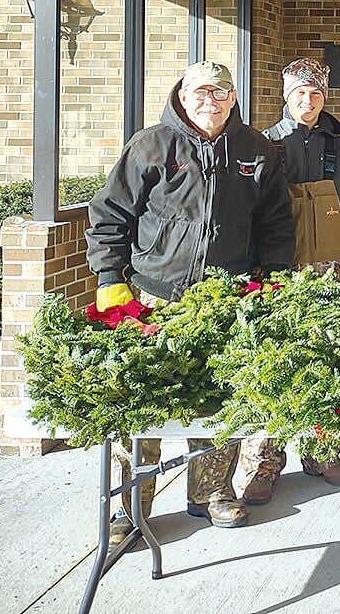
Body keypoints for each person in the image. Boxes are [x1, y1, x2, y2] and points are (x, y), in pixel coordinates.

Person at [86, 60, 294, 544]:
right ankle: (130, 507)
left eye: (221, 93)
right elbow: (110, 214)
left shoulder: (256, 150)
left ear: (233, 98)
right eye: (201, 92)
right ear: (182, 94)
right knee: (141, 403)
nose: (211, 101)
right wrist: (109, 279)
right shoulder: (151, 145)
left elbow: (276, 223)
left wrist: (274, 281)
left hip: (227, 299)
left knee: (217, 402)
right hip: (154, 298)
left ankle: (212, 492)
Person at [236, 57, 340, 502]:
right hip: (280, 270)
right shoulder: (263, 146)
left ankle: (323, 453)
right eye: (299, 93)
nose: (307, 101)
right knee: (272, 363)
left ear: (324, 97)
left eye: (315, 94)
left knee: (328, 361)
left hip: (332, 269)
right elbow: (252, 213)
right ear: (286, 96)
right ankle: (263, 466)